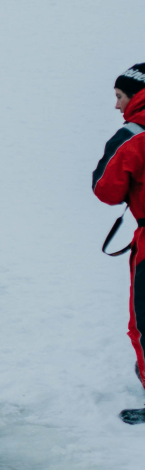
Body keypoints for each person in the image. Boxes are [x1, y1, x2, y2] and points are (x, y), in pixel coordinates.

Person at [94, 62, 145, 423]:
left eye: (119, 96)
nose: (116, 106)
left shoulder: (134, 134)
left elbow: (106, 190)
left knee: (143, 323)